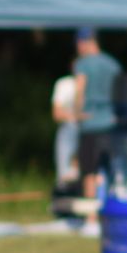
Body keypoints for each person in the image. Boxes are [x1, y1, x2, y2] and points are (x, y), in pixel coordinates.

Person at [72, 25, 124, 200]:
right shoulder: (113, 64)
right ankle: (109, 208)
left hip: (90, 123)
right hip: (111, 123)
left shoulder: (83, 64)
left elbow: (80, 89)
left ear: (84, 42)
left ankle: (91, 213)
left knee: (89, 171)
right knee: (110, 169)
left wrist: (77, 113)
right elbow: (120, 93)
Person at [49, 65, 80, 199]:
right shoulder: (64, 84)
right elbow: (56, 113)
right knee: (65, 174)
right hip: (69, 128)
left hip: (88, 131)